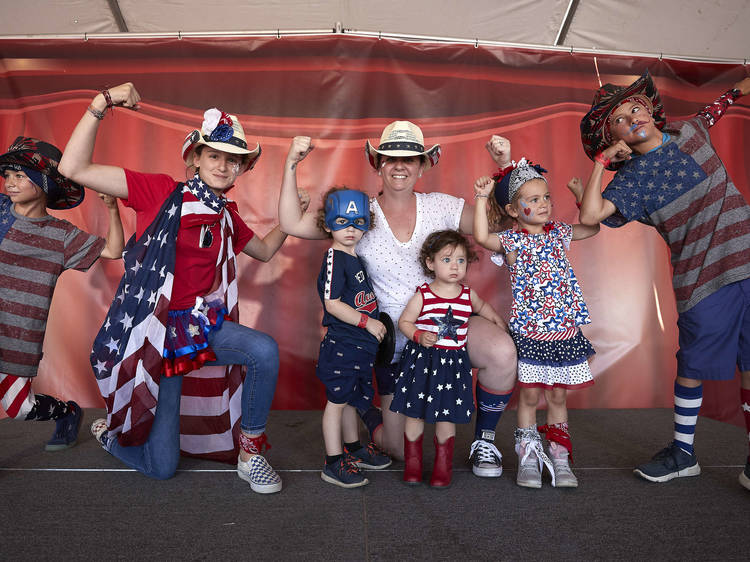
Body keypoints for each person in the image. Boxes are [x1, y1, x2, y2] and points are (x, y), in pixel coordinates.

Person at [59, 83, 291, 493]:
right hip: (157, 335)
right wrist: (102, 103)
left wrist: (294, 215)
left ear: (241, 168)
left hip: (202, 327)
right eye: (214, 156)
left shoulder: (225, 216)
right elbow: (73, 169)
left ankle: (250, 454)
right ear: (196, 158)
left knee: (263, 350)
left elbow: (268, 252)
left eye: (233, 160)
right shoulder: (162, 192)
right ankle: (111, 436)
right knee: (161, 467)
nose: (223, 166)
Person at [578, 71, 750, 490]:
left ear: (651, 110)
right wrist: (600, 166)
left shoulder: (690, 129)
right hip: (703, 278)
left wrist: (738, 86)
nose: (632, 118)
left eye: (635, 108)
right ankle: (683, 453)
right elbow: (588, 217)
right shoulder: (631, 181)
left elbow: (720, 105)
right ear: (612, 137)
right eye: (618, 119)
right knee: (691, 367)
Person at [357, 123, 517, 473]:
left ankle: (484, 442)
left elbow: (498, 224)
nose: (400, 166)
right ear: (378, 163)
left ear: (423, 164)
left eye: (410, 158)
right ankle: (365, 410)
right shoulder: (361, 211)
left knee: (502, 351)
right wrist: (292, 164)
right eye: (390, 158)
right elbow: (296, 224)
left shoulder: (442, 206)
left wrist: (506, 167)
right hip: (397, 340)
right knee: (396, 451)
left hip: (450, 326)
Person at [473, 160, 599, 488]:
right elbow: (481, 236)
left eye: (546, 197)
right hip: (531, 333)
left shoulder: (559, 232)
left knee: (557, 397)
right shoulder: (512, 242)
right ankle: (528, 458)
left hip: (564, 332)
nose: (543, 204)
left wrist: (580, 195)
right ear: (514, 210)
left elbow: (593, 226)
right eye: (534, 200)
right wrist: (482, 198)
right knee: (529, 397)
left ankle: (559, 456)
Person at [277, 136, 391, 488]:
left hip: (360, 344)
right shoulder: (334, 258)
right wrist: (367, 322)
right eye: (342, 222)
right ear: (327, 225)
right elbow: (331, 303)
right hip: (343, 343)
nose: (351, 229)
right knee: (336, 404)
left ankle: (354, 448)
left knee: (353, 399)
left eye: (357, 224)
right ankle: (333, 461)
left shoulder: (354, 255)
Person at [0, 136, 124, 451]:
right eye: (7, 176)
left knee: (19, 408)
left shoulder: (61, 236)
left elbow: (112, 250)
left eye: (19, 176)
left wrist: (111, 208)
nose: (9, 184)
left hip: (19, 334)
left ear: (44, 184)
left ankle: (67, 412)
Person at [391, 229, 504, 488]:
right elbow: (405, 321)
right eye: (446, 260)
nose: (455, 266)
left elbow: (484, 308)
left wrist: (497, 320)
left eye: (461, 260)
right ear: (430, 263)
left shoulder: (467, 295)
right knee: (415, 415)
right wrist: (418, 335)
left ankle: (443, 466)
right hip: (423, 362)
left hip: (452, 366)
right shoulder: (424, 295)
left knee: (446, 417)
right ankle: (414, 464)